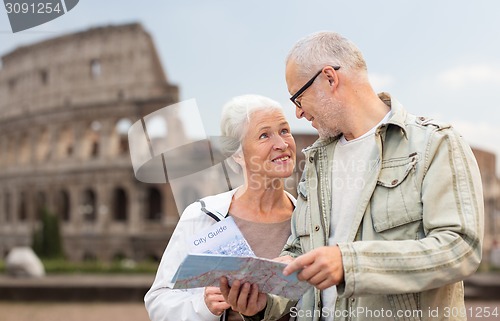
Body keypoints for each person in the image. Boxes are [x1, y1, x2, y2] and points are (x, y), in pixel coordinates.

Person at [221, 32, 484, 321]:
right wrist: (263, 303)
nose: (297, 113)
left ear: (330, 79)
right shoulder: (316, 162)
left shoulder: (435, 144)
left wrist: (350, 263)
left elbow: (460, 247)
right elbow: (299, 254)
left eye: (298, 97)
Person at [144, 94, 297, 321]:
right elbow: (158, 300)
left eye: (284, 131)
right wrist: (204, 306)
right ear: (236, 153)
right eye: (264, 135)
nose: (282, 144)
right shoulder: (201, 216)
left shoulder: (309, 218)